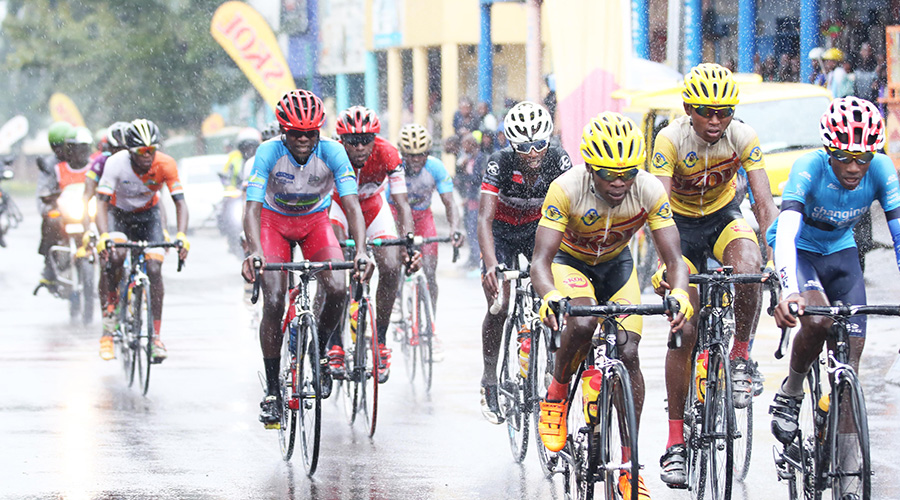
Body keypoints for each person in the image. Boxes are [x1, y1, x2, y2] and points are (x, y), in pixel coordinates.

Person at [531, 112, 691, 498]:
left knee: (629, 351)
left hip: (617, 267)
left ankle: (629, 466)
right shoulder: (565, 188)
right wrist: (550, 295)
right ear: (590, 167)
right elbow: (540, 261)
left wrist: (680, 292)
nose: (620, 183)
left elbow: (674, 258)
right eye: (609, 174)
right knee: (583, 324)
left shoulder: (649, 189)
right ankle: (555, 395)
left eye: (628, 173)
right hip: (570, 263)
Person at [650, 63, 778, 488]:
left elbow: (762, 203)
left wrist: (775, 257)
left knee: (748, 267)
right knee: (685, 326)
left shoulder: (743, 136)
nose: (716, 120)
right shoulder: (670, 139)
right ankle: (674, 443)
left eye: (724, 111)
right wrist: (667, 266)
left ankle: (739, 355)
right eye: (706, 111)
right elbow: (658, 210)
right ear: (690, 108)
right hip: (679, 226)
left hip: (723, 217)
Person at [768, 98, 900, 448]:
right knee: (817, 321)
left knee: (851, 358)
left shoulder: (883, 170)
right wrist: (789, 290)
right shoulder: (808, 166)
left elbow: (899, 234)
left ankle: (845, 462)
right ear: (829, 151)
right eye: (844, 157)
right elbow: (786, 231)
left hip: (840, 251)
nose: (854, 167)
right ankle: (792, 392)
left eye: (863, 158)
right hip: (801, 249)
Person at [241, 90, 369, 428]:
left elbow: (352, 205)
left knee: (339, 288)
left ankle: (321, 353)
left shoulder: (334, 152)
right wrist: (255, 250)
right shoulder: (267, 152)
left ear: (319, 132)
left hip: (315, 222)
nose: (303, 140)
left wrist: (363, 251)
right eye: (295, 133)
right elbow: (252, 208)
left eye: (310, 133)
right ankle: (271, 391)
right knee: (273, 301)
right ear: (283, 131)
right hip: (273, 223)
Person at [478, 101, 572, 423]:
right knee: (500, 306)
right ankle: (490, 380)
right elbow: (484, 218)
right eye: (523, 147)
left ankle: (549, 366)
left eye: (538, 145)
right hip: (502, 234)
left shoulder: (559, 160)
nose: (532, 153)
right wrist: (491, 265)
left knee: (554, 297)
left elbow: (571, 213)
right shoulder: (499, 163)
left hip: (537, 232)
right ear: (511, 144)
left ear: (549, 140)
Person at [329, 105, 417, 384]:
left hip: (374, 209)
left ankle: (379, 340)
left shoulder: (388, 152)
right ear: (341, 141)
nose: (359, 147)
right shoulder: (331, 154)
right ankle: (335, 344)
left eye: (366, 140)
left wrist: (409, 243)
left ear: (375, 139)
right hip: (338, 209)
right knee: (336, 275)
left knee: (391, 267)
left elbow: (401, 203)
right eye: (352, 141)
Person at [95, 119, 190, 362]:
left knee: (155, 268)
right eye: (141, 152)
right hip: (119, 215)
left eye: (152, 150)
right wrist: (104, 236)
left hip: (150, 216)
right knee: (115, 256)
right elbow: (102, 203)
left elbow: (180, 202)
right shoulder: (115, 164)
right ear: (130, 151)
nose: (148, 156)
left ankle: (156, 338)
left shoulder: (166, 163)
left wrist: (181, 235)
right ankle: (110, 320)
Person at [392, 123, 464, 308]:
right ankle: (397, 298)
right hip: (396, 216)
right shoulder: (394, 167)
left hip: (423, 217)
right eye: (410, 155)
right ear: (402, 153)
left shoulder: (435, 167)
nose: (416, 159)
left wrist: (454, 228)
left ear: (428, 152)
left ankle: (430, 324)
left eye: (421, 154)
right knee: (394, 263)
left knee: (430, 272)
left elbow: (449, 202)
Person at [35, 124, 92, 293]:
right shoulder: (52, 167)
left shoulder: (91, 165)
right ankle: (49, 267)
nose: (60, 152)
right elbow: (44, 190)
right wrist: (48, 205)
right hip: (64, 210)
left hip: (87, 209)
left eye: (64, 147)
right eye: (56, 148)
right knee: (50, 221)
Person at [455, 133, 484, 269]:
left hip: (475, 200)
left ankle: (478, 260)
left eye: (465, 144)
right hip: (468, 198)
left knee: (474, 229)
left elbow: (478, 178)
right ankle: (472, 258)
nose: (463, 147)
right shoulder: (468, 158)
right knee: (469, 228)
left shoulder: (480, 159)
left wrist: (466, 178)